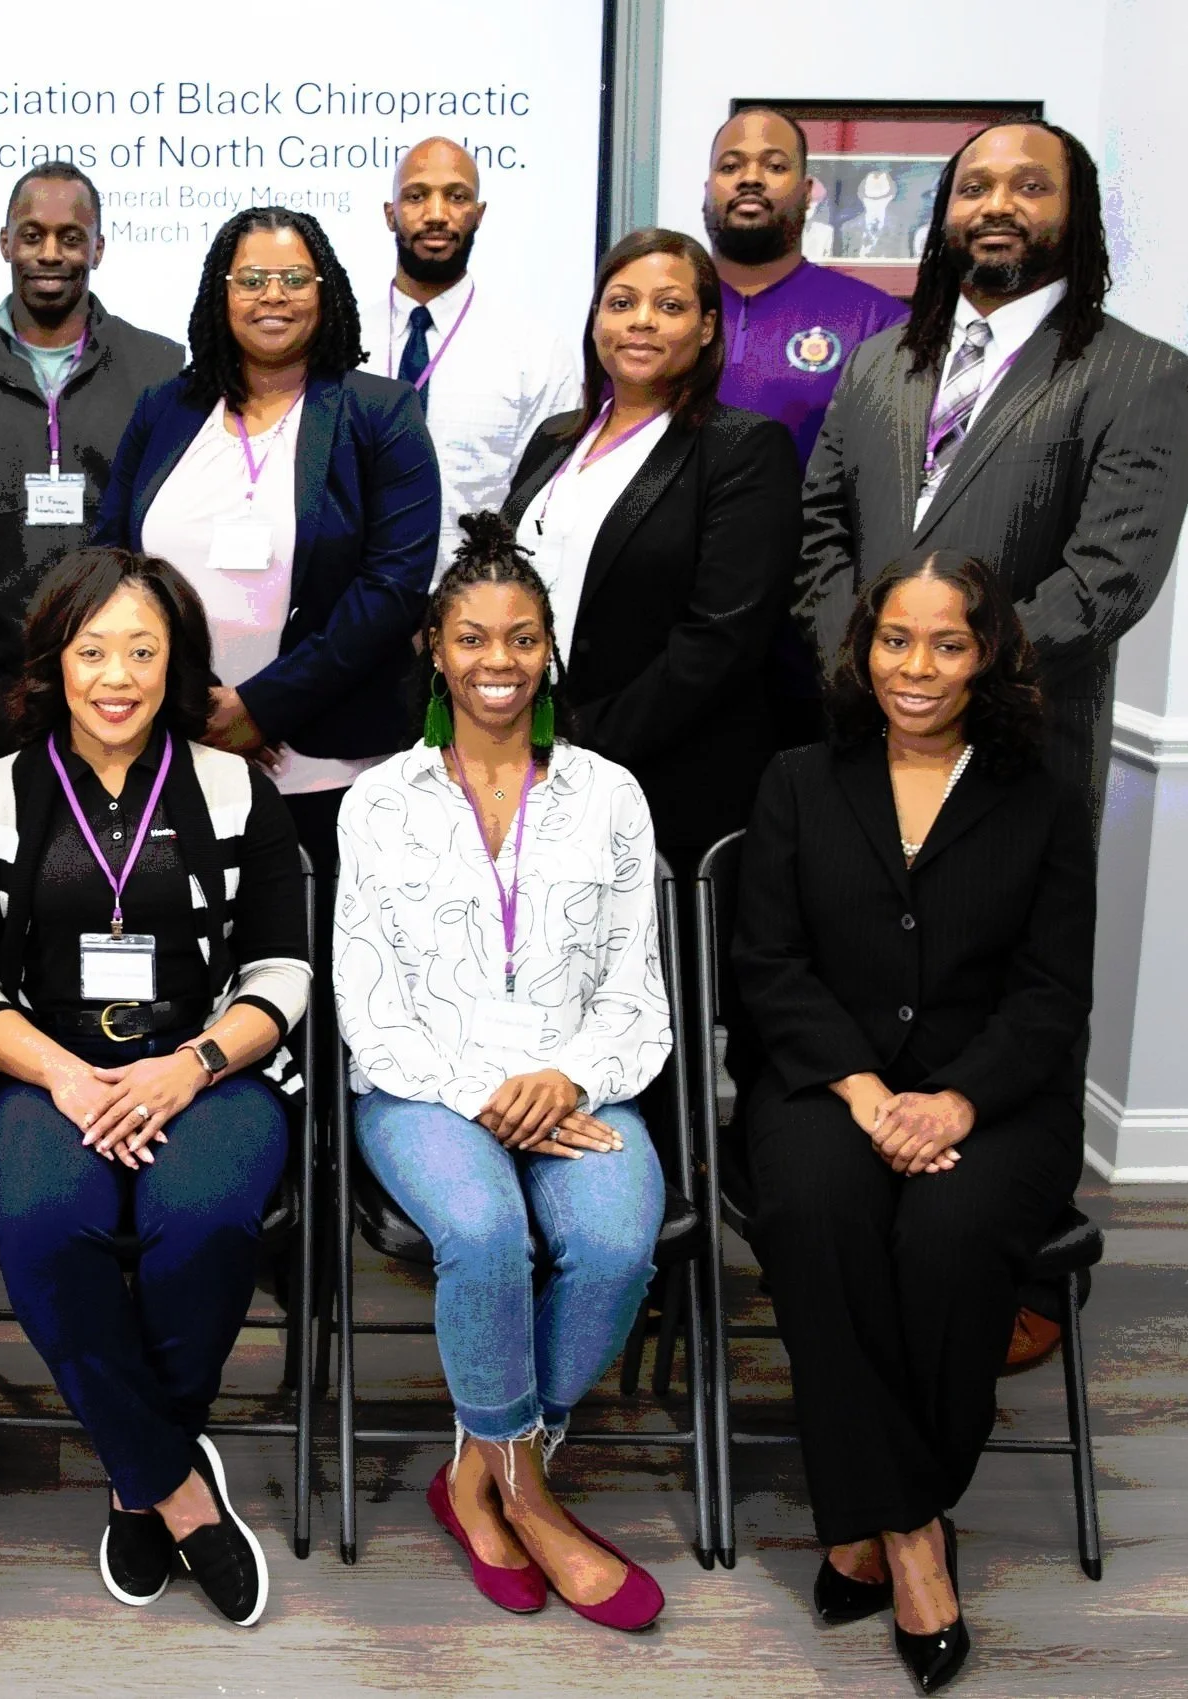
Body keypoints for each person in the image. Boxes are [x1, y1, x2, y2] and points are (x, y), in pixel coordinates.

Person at [734, 553, 1094, 1695]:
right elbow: (768, 966)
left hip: (991, 1100)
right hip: (825, 1087)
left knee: (947, 1239)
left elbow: (1050, 994)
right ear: (863, 645)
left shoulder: (1039, 799)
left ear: (987, 653)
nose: (918, 666)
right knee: (820, 1211)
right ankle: (913, 1536)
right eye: (896, 638)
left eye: (947, 642)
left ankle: (870, 1521)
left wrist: (955, 1099)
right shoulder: (798, 778)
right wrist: (861, 1090)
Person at [0, 548, 306, 1625]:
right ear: (53, 660)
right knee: (48, 1226)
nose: (118, 674)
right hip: (42, 1074)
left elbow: (283, 966)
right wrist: (63, 1073)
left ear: (176, 662)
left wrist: (188, 1067)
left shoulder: (235, 787)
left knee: (205, 1218)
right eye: (93, 649)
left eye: (144, 650)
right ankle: (176, 1487)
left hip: (207, 1067)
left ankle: (136, 1473)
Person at [334, 518, 670, 1633]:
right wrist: (494, 1091)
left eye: (520, 640)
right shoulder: (378, 801)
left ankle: (481, 1473)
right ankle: (530, 1496)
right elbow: (367, 1000)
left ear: (547, 652)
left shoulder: (611, 795)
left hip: (582, 1078)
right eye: (472, 638)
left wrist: (564, 1077)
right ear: (434, 646)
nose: (496, 662)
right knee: (483, 1233)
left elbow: (636, 986)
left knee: (619, 1235)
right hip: (422, 1085)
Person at [799, 120, 1188, 829]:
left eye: (1032, 187)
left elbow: (1109, 578)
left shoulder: (1142, 374)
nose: (996, 205)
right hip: (859, 739)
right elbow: (820, 531)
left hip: (1025, 754)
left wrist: (947, 674)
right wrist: (862, 666)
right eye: (974, 188)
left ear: (1077, 214)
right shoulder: (876, 362)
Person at [94, 205, 442, 879]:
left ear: (326, 290)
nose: (273, 295)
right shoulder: (164, 409)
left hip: (325, 766)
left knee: (311, 964)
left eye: (294, 278)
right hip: (165, 744)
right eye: (251, 278)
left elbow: (392, 591)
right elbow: (111, 566)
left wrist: (260, 708)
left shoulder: (381, 414)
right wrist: (195, 704)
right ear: (220, 292)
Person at [500, 228, 799, 876]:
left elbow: (719, 643)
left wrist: (572, 739)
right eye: (621, 302)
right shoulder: (553, 443)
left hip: (665, 791)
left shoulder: (743, 449)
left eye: (669, 306)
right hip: (529, 773)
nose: (641, 321)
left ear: (707, 327)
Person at [0, 162, 186, 768]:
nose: (50, 253)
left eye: (71, 237)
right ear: (5, 242)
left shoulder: (161, 367)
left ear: (98, 248)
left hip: (122, 688)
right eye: (32, 234)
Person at [699, 106, 910, 753]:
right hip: (681, 626)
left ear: (810, 189)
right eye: (731, 166)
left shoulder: (876, 320)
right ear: (707, 189)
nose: (750, 179)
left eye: (774, 164)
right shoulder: (661, 313)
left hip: (814, 631)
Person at [357, 136, 580, 576]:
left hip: (477, 610)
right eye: (416, 196)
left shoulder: (536, 352)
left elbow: (546, 505)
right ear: (390, 214)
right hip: (351, 604)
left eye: (456, 197)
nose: (436, 214)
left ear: (478, 215)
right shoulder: (338, 343)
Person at [839, 168, 920, 262]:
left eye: (881, 199)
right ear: (862, 198)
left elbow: (903, 262)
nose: (875, 204)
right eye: (870, 199)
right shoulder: (848, 228)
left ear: (890, 198)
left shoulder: (902, 227)